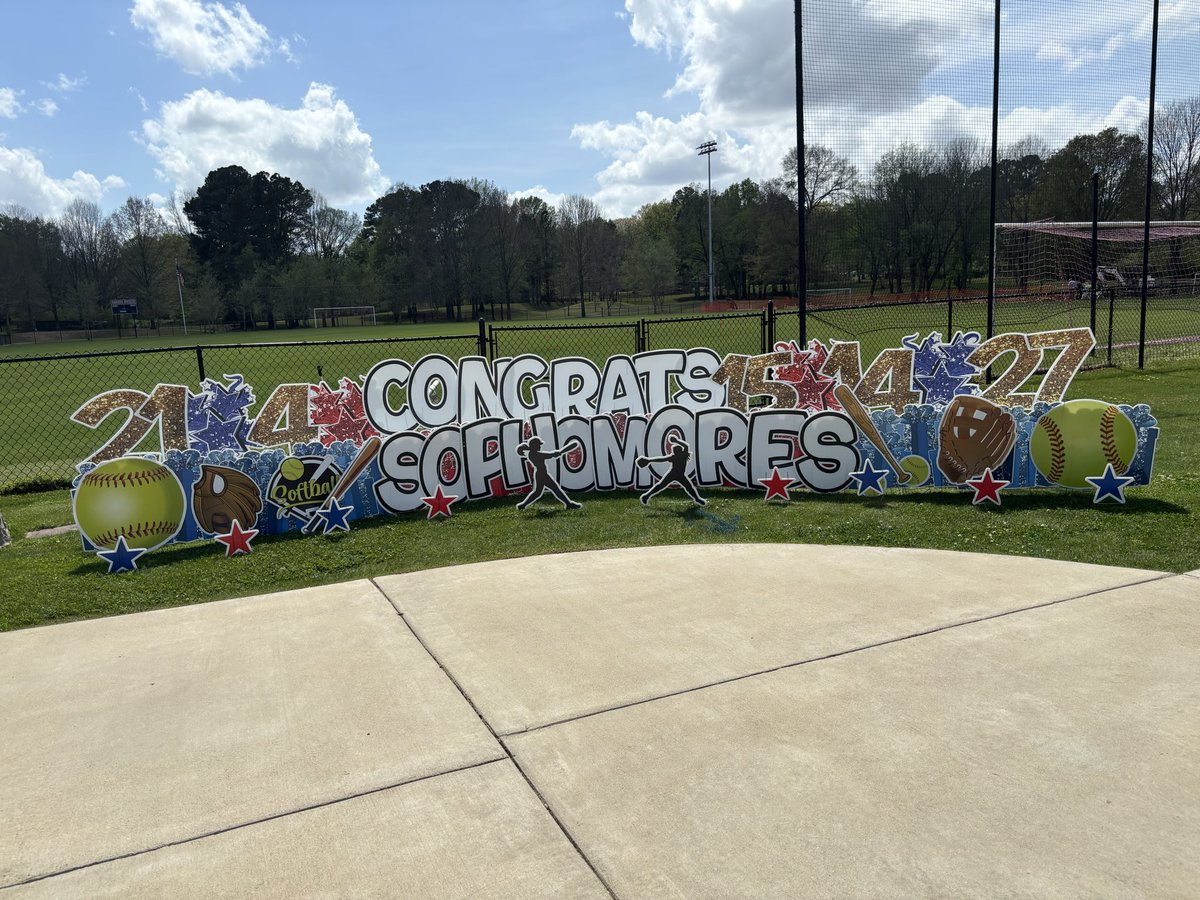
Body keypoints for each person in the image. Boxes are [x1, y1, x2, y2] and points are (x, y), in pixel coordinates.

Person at [515, 436, 582, 510]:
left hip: (542, 474)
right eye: (539, 445)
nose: (540, 446)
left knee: (539, 493)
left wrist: (556, 453)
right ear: (534, 445)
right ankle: (569, 504)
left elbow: (548, 455)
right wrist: (555, 453)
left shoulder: (533, 453)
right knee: (552, 490)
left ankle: (522, 505)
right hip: (542, 475)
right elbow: (548, 455)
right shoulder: (534, 454)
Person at [637, 440, 706, 506]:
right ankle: (646, 496)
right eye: (674, 451)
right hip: (673, 474)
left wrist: (676, 441)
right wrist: (649, 460)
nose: (674, 452)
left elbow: (662, 459)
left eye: (675, 451)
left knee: (689, 487)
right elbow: (662, 459)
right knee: (661, 485)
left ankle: (697, 499)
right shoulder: (679, 456)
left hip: (680, 475)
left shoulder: (681, 455)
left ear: (678, 451)